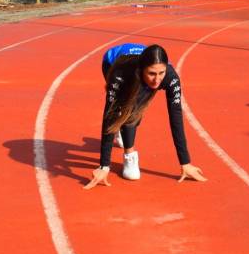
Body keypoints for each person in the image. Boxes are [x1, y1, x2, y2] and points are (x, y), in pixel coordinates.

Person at [85, 43, 207, 189]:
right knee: (125, 109)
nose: (157, 80)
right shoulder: (122, 74)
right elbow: (109, 116)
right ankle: (129, 155)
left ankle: (122, 130)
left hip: (140, 70)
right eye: (152, 74)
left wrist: (185, 163)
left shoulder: (170, 77)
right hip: (111, 63)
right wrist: (104, 166)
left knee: (136, 108)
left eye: (161, 73)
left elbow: (176, 117)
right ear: (142, 70)